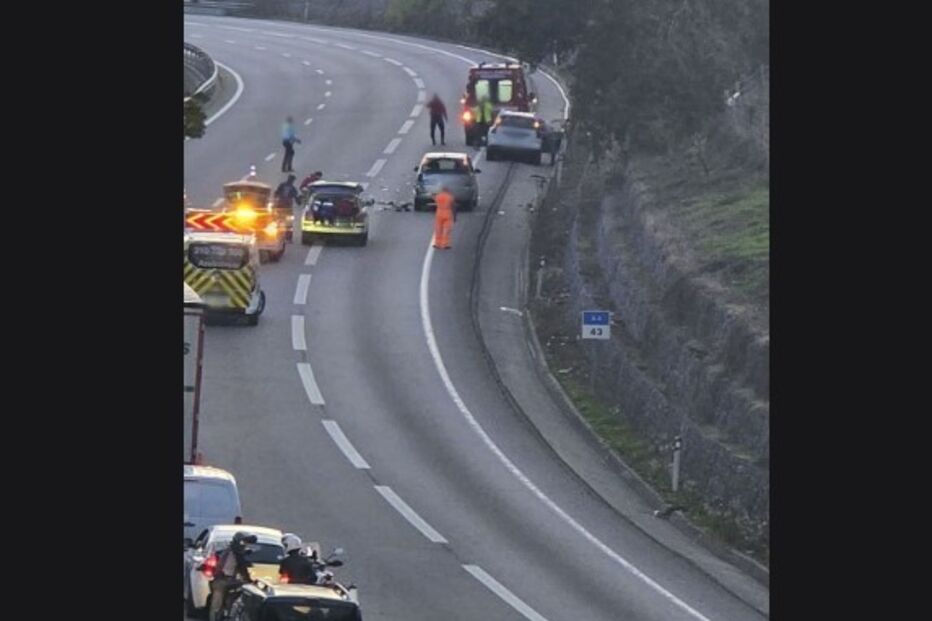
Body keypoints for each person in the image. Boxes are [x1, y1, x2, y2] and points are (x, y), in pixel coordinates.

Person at [209, 532, 256, 621]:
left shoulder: (229, 550)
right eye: (244, 543)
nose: (245, 545)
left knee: (217, 605)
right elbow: (243, 567)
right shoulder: (236, 552)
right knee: (217, 604)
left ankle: (227, 611)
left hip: (224, 580)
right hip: (223, 580)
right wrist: (249, 581)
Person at [433, 185, 456, 250]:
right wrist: (454, 216)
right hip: (448, 213)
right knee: (446, 229)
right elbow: (453, 206)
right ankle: (445, 244)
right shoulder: (450, 197)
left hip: (439, 213)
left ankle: (437, 243)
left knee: (438, 229)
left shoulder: (438, 196)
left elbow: (435, 200)